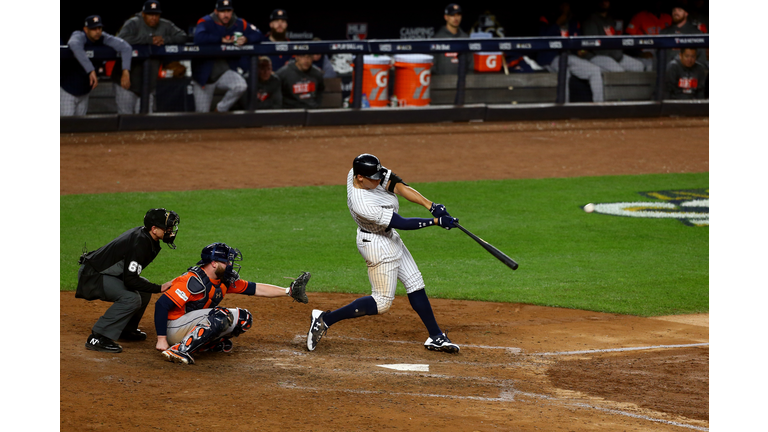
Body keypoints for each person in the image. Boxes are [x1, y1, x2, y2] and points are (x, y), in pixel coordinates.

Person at [307, 154, 461, 354]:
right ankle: (325, 319)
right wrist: (436, 222)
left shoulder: (361, 172)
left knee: (415, 283)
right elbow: (402, 223)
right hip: (376, 245)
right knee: (381, 302)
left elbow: (396, 185)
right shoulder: (361, 204)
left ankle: (436, 336)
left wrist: (430, 206)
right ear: (360, 177)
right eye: (374, 178)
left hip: (390, 237)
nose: (379, 180)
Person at [157, 243, 310, 365]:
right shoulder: (191, 281)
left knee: (243, 318)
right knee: (220, 315)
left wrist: (287, 291)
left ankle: (202, 345)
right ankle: (178, 350)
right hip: (174, 327)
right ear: (214, 263)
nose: (230, 265)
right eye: (227, 261)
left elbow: (256, 288)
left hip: (189, 326)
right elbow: (161, 305)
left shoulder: (223, 280)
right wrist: (161, 339)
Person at [76, 208, 180, 353]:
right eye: (167, 228)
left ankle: (126, 329)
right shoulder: (140, 243)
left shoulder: (147, 238)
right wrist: (159, 287)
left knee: (143, 291)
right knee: (131, 298)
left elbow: (130, 275)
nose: (170, 231)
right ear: (154, 229)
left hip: (104, 272)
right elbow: (130, 280)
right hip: (93, 276)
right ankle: (98, 337)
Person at [114, 1, 188, 114]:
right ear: (143, 14)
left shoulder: (165, 25)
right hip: (126, 84)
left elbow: (182, 36)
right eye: (150, 14)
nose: (153, 17)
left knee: (146, 122)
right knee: (126, 120)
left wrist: (164, 39)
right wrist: (149, 40)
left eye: (156, 14)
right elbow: (121, 39)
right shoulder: (133, 23)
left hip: (148, 85)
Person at [192, 0, 263, 112]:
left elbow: (258, 34)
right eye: (222, 11)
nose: (226, 15)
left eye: (228, 11)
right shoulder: (206, 21)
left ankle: (219, 110)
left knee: (240, 86)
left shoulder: (239, 23)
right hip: (204, 76)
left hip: (223, 72)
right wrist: (220, 39)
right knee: (202, 116)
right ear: (216, 12)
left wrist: (246, 39)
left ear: (232, 11)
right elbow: (198, 38)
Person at [61, 15, 133, 116]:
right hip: (67, 90)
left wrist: (125, 70)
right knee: (65, 127)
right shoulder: (79, 35)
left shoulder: (103, 37)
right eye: (93, 29)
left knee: (79, 128)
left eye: (99, 28)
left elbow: (126, 47)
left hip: (84, 92)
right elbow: (73, 44)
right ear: (86, 29)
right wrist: (90, 70)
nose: (97, 31)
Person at [537, 2, 605, 102]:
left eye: (567, 4)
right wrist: (557, 24)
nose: (565, 7)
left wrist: (580, 50)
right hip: (551, 58)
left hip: (570, 57)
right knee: (565, 74)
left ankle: (599, 107)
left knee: (595, 70)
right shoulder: (546, 19)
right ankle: (565, 110)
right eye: (562, 4)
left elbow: (578, 41)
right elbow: (542, 40)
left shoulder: (572, 21)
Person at [581, 0, 646, 72]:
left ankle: (632, 83)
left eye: (607, 0)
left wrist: (617, 53)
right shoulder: (591, 19)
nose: (604, 2)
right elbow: (594, 46)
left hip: (615, 56)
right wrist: (613, 54)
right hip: (598, 56)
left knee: (638, 66)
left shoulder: (610, 19)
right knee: (619, 71)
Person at [624, 1, 671, 71]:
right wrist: (639, 53)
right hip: (644, 52)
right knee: (650, 67)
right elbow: (627, 39)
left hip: (662, 52)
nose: (657, 4)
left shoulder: (668, 18)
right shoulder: (640, 16)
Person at [659, 2, 708, 67]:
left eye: (679, 10)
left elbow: (701, 58)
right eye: (674, 10)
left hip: (690, 71)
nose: (676, 13)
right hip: (668, 70)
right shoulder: (664, 32)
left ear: (686, 13)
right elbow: (658, 57)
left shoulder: (696, 33)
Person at [431, 3, 474, 75]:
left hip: (462, 83)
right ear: (446, 17)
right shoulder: (437, 39)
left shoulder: (465, 38)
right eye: (452, 15)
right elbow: (432, 66)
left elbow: (471, 65)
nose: (456, 18)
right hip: (442, 83)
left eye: (458, 15)